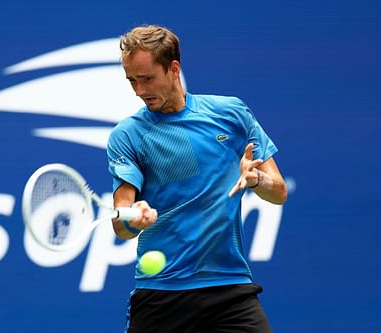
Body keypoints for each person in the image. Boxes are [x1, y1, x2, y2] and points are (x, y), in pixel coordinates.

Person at [107, 25, 287, 333]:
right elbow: (120, 223)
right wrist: (132, 219)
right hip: (162, 294)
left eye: (147, 78)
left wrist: (256, 180)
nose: (139, 91)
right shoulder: (128, 135)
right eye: (132, 81)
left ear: (174, 69)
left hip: (229, 288)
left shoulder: (231, 114)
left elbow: (279, 192)